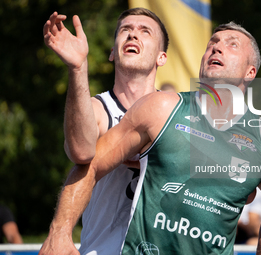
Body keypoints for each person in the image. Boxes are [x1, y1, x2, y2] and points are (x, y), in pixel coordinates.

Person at [41, 22, 261, 254]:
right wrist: (59, 233)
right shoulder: (161, 108)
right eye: (212, 44)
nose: (217, 48)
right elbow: (91, 165)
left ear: (250, 72)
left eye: (231, 44)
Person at [40, 8, 168, 255]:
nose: (133, 35)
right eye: (125, 30)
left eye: (145, 31)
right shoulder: (99, 109)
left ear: (161, 58)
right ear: (112, 53)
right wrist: (78, 68)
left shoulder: (175, 113)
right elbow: (81, 152)